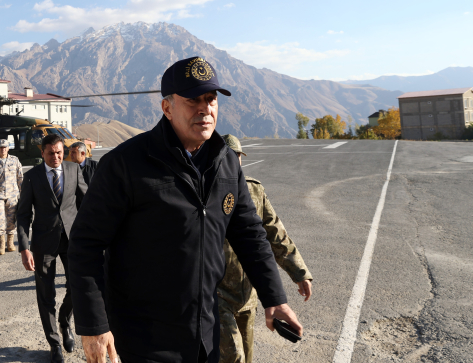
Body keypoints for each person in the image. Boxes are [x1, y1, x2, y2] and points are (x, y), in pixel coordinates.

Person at [68, 56, 303, 363]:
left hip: (206, 332)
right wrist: (94, 326)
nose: (205, 109)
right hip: (143, 338)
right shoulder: (126, 164)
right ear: (167, 108)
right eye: (193, 100)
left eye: (211, 99)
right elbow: (86, 244)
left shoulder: (226, 162)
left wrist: (275, 297)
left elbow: (249, 233)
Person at [218, 134, 313, 363]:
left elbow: (275, 234)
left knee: (247, 356)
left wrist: (299, 272)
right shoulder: (209, 190)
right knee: (233, 357)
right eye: (228, 156)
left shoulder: (254, 190)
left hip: (247, 295)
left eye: (237, 156)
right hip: (217, 295)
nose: (234, 161)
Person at [16, 134, 88, 363]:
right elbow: (23, 215)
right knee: (46, 295)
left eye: (59, 152)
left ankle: (65, 321)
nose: (56, 157)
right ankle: (54, 343)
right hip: (43, 243)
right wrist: (24, 248)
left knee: (77, 286)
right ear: (42, 153)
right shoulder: (31, 177)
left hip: (72, 239)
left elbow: (87, 202)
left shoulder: (73, 170)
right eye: (50, 153)